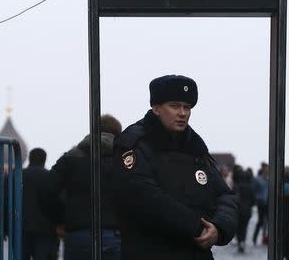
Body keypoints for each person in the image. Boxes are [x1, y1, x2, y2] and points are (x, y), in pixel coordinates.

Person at [111, 75, 238, 260]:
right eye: (174, 105)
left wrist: (219, 228)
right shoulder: (134, 144)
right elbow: (144, 196)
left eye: (187, 107)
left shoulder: (195, 148)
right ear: (156, 108)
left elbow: (225, 195)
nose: (182, 113)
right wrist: (197, 227)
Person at [42, 114, 122, 260]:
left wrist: (59, 220)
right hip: (115, 233)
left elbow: (47, 190)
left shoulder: (70, 158)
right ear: (118, 133)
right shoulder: (125, 158)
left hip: (78, 234)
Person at [21, 148, 59, 260]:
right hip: (46, 230)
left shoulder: (16, 176)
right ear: (45, 159)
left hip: (20, 228)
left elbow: (5, 201)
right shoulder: (51, 177)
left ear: (29, 158)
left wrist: (3, 228)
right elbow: (58, 202)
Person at [232, 166, 255, 253]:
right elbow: (253, 200)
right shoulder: (250, 187)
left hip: (238, 209)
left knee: (238, 227)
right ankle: (243, 241)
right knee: (244, 227)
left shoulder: (236, 186)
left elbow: (233, 198)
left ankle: (239, 242)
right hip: (247, 210)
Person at [252, 162, 269, 245]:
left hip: (268, 202)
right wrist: (257, 198)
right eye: (266, 168)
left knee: (269, 222)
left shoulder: (270, 178)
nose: (267, 170)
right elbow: (254, 190)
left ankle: (265, 238)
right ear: (262, 169)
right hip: (261, 202)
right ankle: (254, 239)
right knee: (260, 221)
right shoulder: (258, 179)